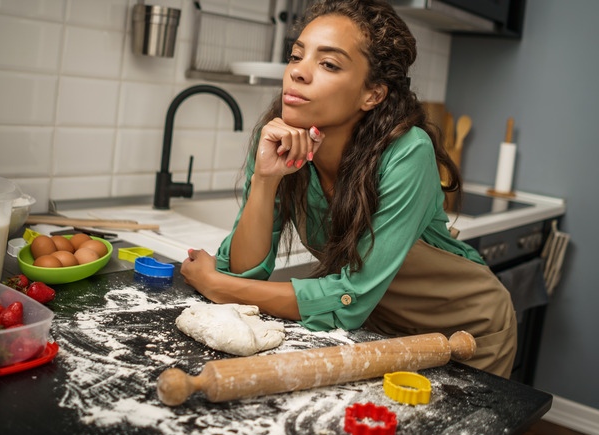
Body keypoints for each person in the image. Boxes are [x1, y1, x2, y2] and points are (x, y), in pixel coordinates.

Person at [180, 0, 517, 378]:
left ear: (372, 94)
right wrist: (265, 179)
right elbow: (244, 275)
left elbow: (349, 297)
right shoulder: (278, 140)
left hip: (465, 333)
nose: (298, 73)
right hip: (376, 333)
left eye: (328, 64)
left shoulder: (407, 152)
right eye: (296, 56)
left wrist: (217, 285)